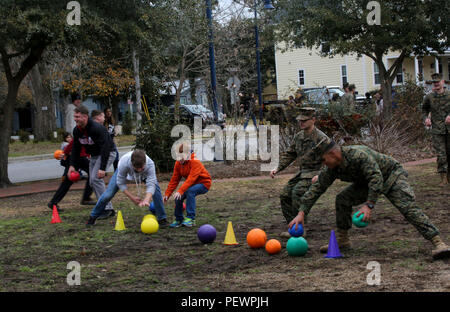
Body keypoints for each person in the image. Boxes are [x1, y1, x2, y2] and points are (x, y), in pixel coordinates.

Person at [289, 142, 450, 260]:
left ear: (334, 154)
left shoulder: (358, 155)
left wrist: (369, 205)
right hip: (367, 182)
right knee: (342, 199)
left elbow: (376, 177)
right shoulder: (331, 168)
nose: (324, 164)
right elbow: (316, 189)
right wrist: (302, 212)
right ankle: (343, 240)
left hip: (391, 176)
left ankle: (438, 242)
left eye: (324, 160)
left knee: (407, 207)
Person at [270, 107, 330, 237]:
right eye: (299, 120)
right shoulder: (299, 137)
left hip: (316, 173)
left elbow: (332, 159)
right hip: (303, 173)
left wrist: (321, 174)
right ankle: (293, 227)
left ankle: (302, 229)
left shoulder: (322, 138)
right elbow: (290, 154)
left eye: (304, 120)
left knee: (297, 193)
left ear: (313, 120)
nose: (301, 123)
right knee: (285, 194)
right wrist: (277, 168)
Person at [86, 149, 168, 227]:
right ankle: (93, 217)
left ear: (145, 163)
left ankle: (162, 218)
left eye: (141, 168)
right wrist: (132, 198)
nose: (139, 170)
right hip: (123, 171)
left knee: (156, 189)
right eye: (137, 169)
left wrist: (147, 199)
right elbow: (120, 183)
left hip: (144, 175)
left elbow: (151, 183)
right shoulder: (124, 163)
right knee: (108, 194)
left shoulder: (149, 164)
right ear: (132, 164)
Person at [68, 105, 117, 220]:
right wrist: (72, 165)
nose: (75, 119)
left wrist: (102, 168)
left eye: (77, 116)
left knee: (96, 179)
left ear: (85, 117)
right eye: (74, 116)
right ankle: (105, 206)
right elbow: (76, 148)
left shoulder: (96, 128)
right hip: (95, 155)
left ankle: (108, 209)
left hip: (108, 153)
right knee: (92, 181)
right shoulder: (77, 130)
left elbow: (105, 147)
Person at [164, 141, 212, 228]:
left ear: (188, 154)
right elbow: (174, 180)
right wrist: (167, 194)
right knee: (178, 197)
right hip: (191, 184)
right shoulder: (178, 164)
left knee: (190, 191)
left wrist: (180, 190)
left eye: (181, 156)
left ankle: (191, 219)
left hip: (204, 183)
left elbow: (191, 179)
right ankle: (179, 219)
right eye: (177, 156)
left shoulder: (195, 161)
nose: (179, 159)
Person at [47, 131, 95, 212]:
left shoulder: (87, 129)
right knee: (93, 173)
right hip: (79, 157)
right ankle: (86, 197)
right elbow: (73, 142)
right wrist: (65, 153)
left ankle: (53, 202)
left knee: (68, 182)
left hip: (78, 157)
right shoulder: (84, 129)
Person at [422, 72, 450, 185]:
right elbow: (424, 110)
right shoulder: (429, 97)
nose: (436, 84)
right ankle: (443, 179)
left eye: (438, 82)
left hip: (449, 129)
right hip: (437, 130)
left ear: (443, 82)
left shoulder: (449, 95)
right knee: (441, 155)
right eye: (434, 83)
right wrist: (426, 119)